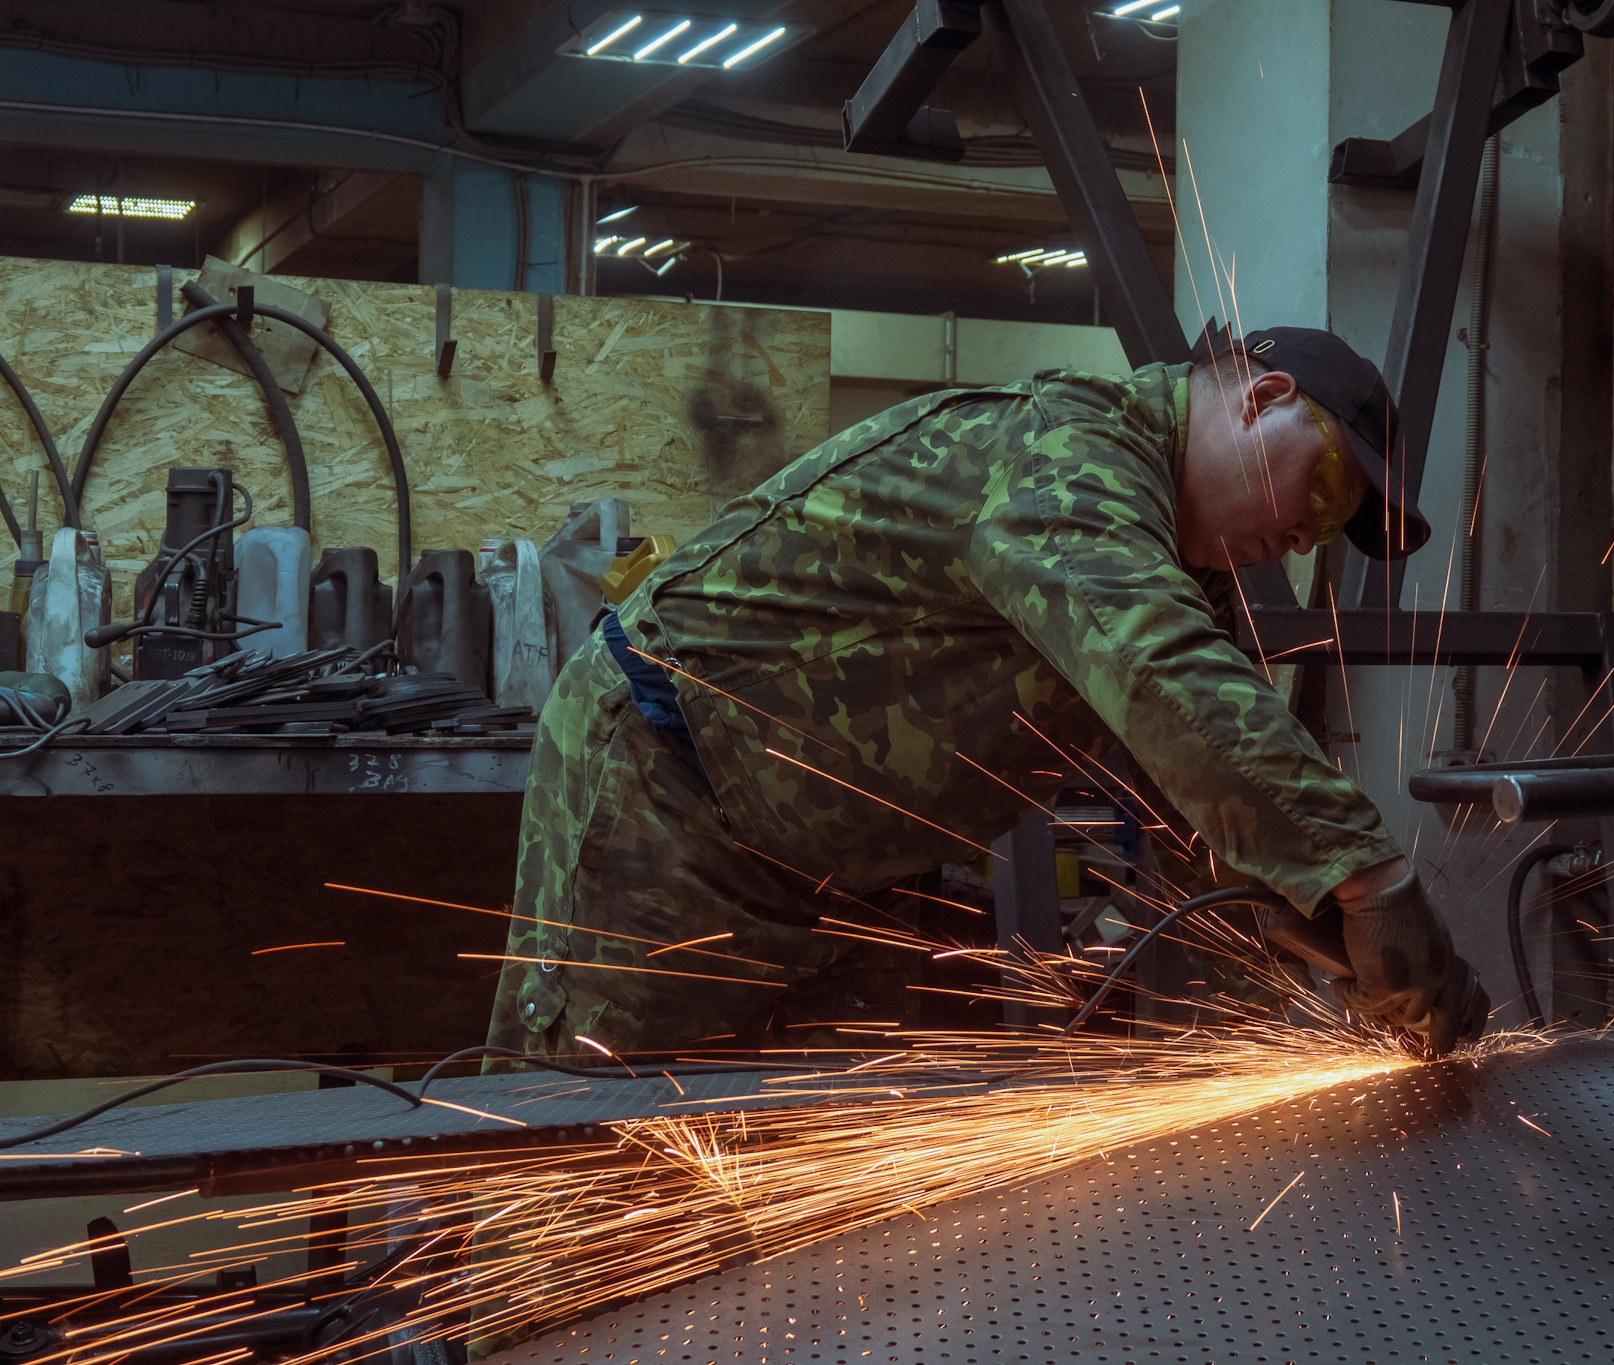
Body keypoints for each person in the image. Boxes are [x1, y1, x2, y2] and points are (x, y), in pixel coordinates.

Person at [484, 325, 1489, 1062]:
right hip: (667, 795)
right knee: (606, 1145)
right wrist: (1369, 879)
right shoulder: (1065, 453)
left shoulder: (1174, 578)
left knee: (793, 1176)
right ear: (1258, 396)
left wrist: (1323, 955)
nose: (1304, 536)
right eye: (1318, 490)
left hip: (825, 867)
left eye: (1330, 528)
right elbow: (1158, 669)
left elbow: (1206, 809)